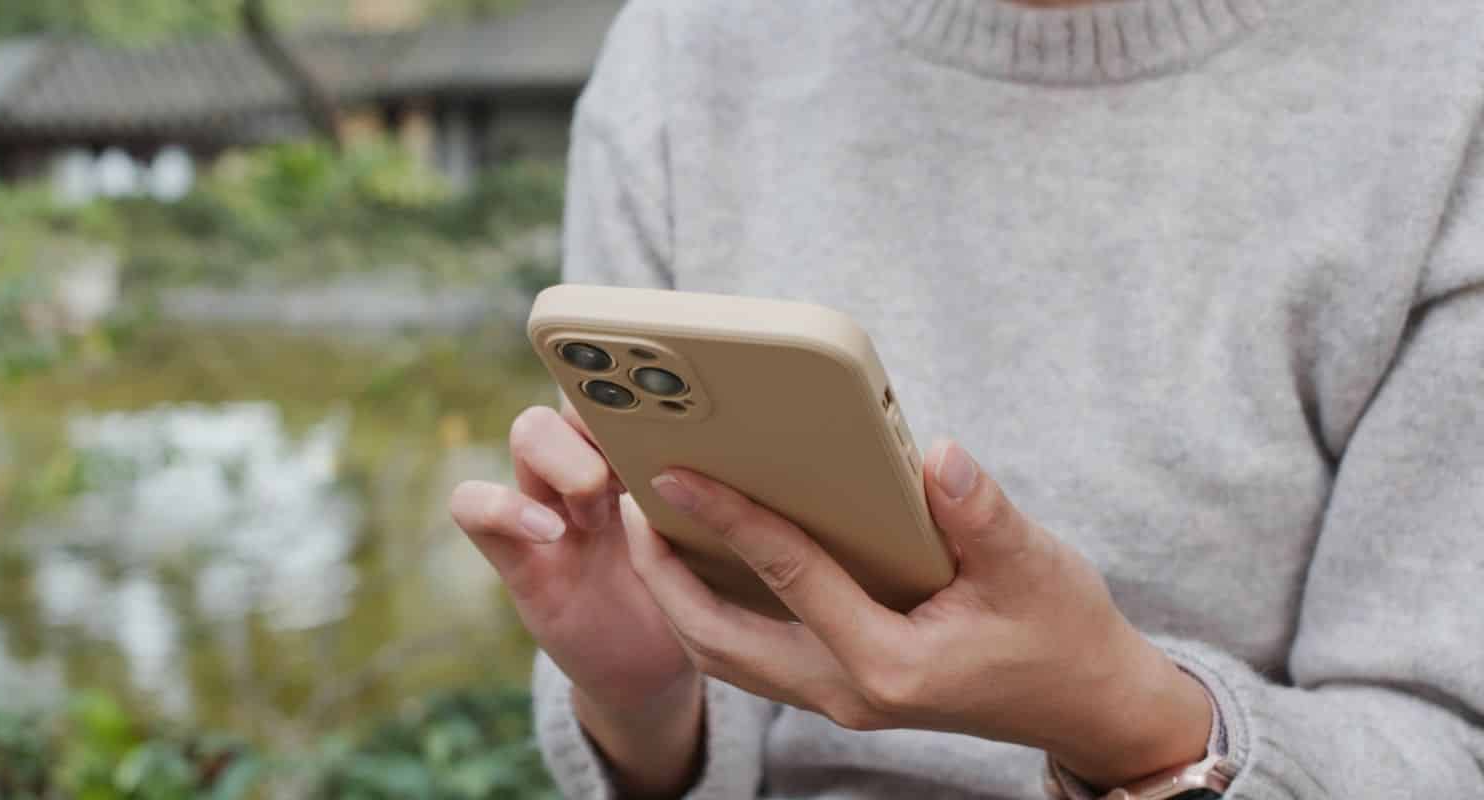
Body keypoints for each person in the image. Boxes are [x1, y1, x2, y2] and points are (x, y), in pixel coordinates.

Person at [448, 0, 1484, 796]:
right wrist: (644, 692)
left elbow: (1447, 738)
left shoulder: (1442, 79)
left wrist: (1124, 712)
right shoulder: (688, 49)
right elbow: (676, 738)